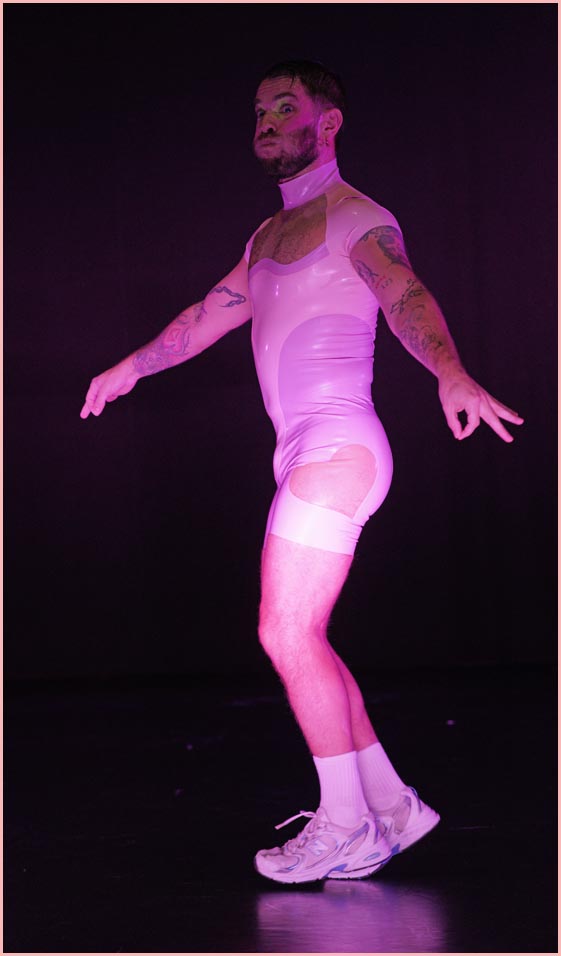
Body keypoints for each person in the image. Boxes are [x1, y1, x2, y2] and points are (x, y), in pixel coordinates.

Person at [80, 59, 524, 884]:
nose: (266, 121)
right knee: (305, 637)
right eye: (259, 110)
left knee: (284, 633)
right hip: (306, 452)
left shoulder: (355, 216)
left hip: (338, 448)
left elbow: (404, 294)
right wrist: (130, 368)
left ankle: (345, 823)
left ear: (327, 123)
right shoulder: (265, 237)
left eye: (285, 107)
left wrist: (450, 372)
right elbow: (203, 317)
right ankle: (390, 805)